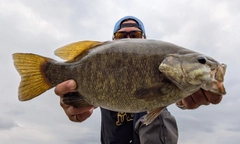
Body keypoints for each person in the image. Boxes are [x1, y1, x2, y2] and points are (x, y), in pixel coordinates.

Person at [54, 16, 223, 144]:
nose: (129, 38)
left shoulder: (168, 77)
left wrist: (187, 100)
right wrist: (75, 111)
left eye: (135, 34)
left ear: (144, 39)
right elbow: (83, 106)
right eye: (122, 35)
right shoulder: (100, 70)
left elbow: (180, 101)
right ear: (113, 40)